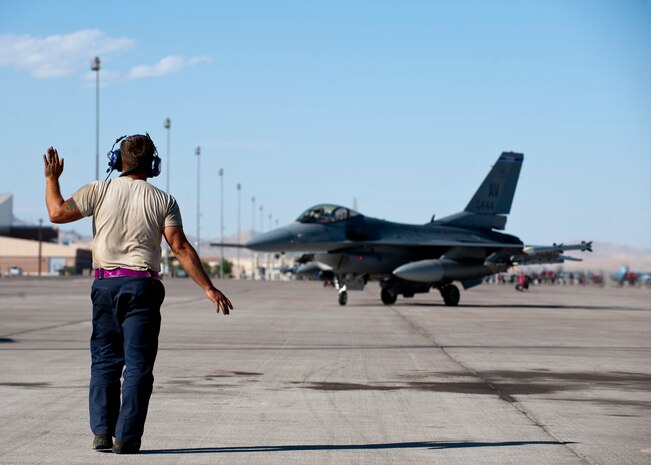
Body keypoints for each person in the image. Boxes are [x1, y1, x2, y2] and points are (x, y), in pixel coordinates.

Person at [43, 134, 233, 454]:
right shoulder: (164, 200)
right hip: (142, 286)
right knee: (138, 366)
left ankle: (102, 432)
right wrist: (208, 287)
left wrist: (51, 180)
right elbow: (180, 247)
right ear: (154, 164)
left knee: (105, 360)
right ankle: (127, 439)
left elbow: (57, 213)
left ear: (118, 161)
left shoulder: (97, 190)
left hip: (105, 285)